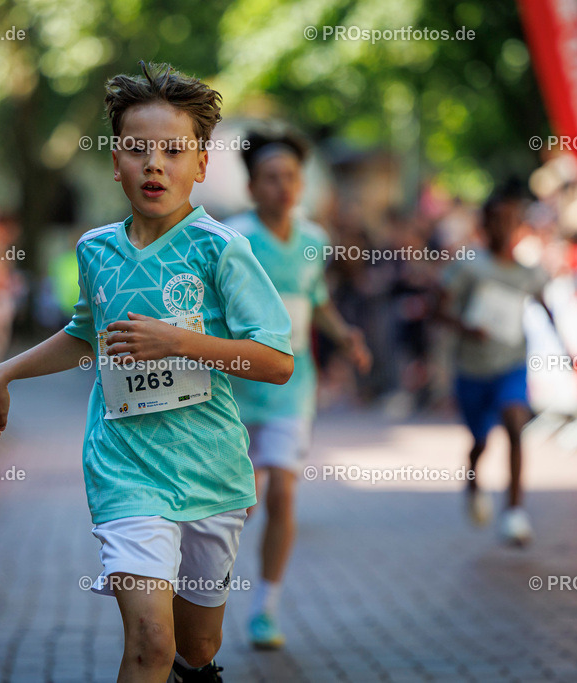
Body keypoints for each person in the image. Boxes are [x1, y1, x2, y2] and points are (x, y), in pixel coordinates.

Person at [0, 62, 294, 683]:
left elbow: (276, 362)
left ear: (200, 165)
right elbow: (84, 338)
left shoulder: (222, 250)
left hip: (212, 473)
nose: (155, 164)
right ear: (114, 161)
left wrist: (180, 340)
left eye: (174, 151)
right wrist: (3, 373)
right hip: (125, 470)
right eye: (137, 150)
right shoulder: (96, 250)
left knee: (196, 648)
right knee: (149, 642)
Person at [225, 130, 372, 650]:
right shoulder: (232, 239)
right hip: (237, 386)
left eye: (291, 177)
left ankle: (265, 607)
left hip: (292, 384)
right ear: (251, 185)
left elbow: (316, 298)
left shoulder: (314, 239)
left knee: (283, 491)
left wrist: (345, 335)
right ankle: (204, 597)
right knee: (239, 502)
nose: (283, 186)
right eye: (271, 177)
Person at [439, 183, 550, 546]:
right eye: (497, 220)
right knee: (480, 440)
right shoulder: (468, 266)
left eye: (512, 220)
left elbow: (545, 304)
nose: (505, 227)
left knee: (516, 422)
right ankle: (473, 476)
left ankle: (515, 513)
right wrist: (466, 327)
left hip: (511, 365)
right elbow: (436, 310)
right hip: (472, 369)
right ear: (485, 224)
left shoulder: (530, 273)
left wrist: (566, 347)